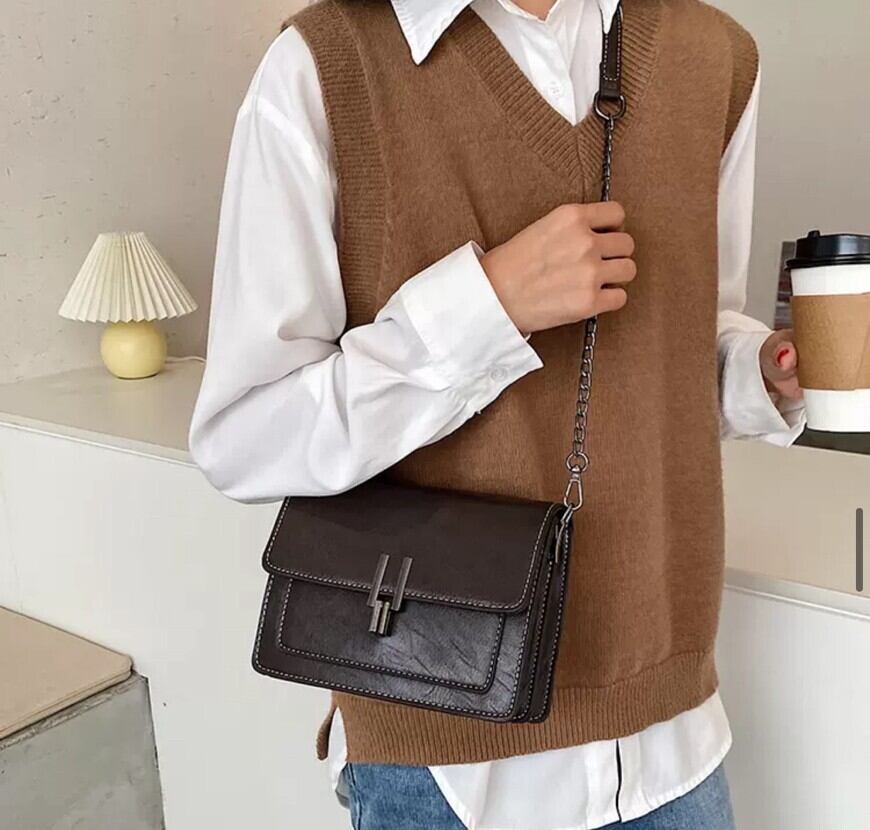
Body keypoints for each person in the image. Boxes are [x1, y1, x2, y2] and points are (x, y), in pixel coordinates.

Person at [189, 0, 807, 827]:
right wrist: (489, 308)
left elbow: (681, 345)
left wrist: (761, 373)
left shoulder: (715, 57)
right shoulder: (325, 64)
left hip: (673, 739)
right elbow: (244, 435)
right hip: (442, 762)